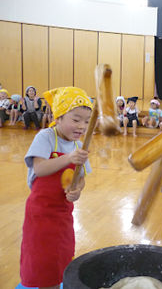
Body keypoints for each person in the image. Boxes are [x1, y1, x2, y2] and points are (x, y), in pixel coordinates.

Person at [20, 87, 93, 289]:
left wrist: (77, 191)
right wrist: (69, 158)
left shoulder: (79, 146)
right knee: (42, 261)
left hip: (63, 215)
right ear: (58, 117)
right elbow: (40, 168)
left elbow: (81, 178)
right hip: (40, 215)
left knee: (61, 257)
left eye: (87, 121)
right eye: (76, 119)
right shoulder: (46, 137)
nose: (82, 126)